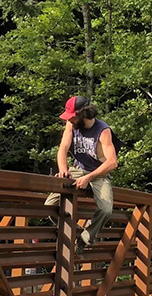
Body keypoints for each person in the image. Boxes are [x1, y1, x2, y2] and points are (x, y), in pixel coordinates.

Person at [44, 96, 120, 254]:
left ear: (84, 114)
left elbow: (112, 162)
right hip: (78, 170)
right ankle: (77, 232)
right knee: (49, 206)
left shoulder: (103, 130)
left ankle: (86, 237)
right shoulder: (71, 125)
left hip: (98, 174)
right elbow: (63, 148)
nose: (69, 120)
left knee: (106, 209)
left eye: (72, 117)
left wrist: (89, 178)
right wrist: (63, 169)